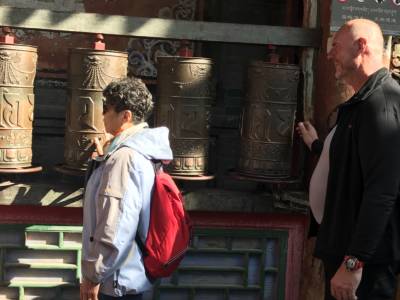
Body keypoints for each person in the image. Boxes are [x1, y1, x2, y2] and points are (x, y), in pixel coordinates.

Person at [298, 19, 400, 300]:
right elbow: (350, 162)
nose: (329, 54)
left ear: (361, 47)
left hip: (363, 266)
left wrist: (354, 262)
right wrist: (317, 145)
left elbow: (382, 191)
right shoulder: (362, 103)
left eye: (336, 47)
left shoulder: (382, 104)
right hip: (344, 254)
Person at [80, 77, 173, 300]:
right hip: (128, 273)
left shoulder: (124, 158)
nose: (102, 114)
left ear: (126, 116)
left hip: (115, 280)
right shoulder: (138, 152)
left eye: (107, 108)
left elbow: (116, 223)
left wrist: (94, 275)